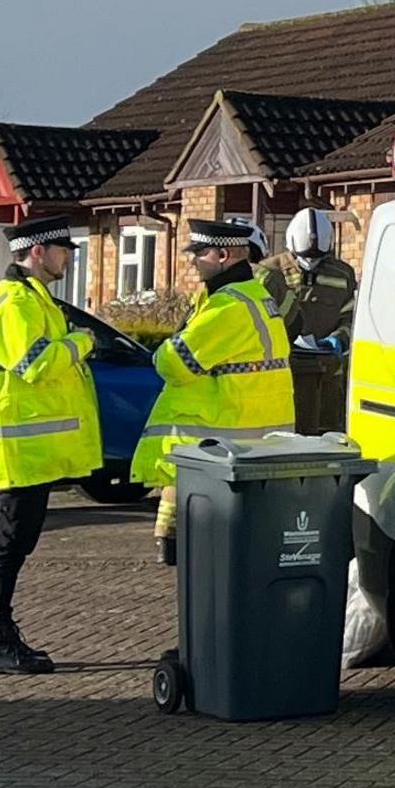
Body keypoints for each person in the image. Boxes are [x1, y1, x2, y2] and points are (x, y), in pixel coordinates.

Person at [0, 222, 102, 674]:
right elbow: (35, 364)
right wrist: (82, 341)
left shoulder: (33, 300)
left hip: (30, 451)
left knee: (16, 539)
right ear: (38, 251)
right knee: (8, 539)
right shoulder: (17, 303)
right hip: (18, 450)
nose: (69, 257)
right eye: (64, 250)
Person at [137, 215, 295, 565]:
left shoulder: (227, 307)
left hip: (223, 438)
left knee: (212, 563)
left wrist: (171, 342)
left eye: (200, 252)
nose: (193, 260)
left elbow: (170, 362)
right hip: (253, 437)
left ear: (224, 256)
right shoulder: (253, 295)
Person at [265, 207, 361, 436]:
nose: (310, 262)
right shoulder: (270, 272)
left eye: (317, 257)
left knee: (326, 435)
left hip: (327, 373)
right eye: (304, 256)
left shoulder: (343, 274)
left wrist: (338, 340)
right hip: (284, 373)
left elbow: (351, 316)